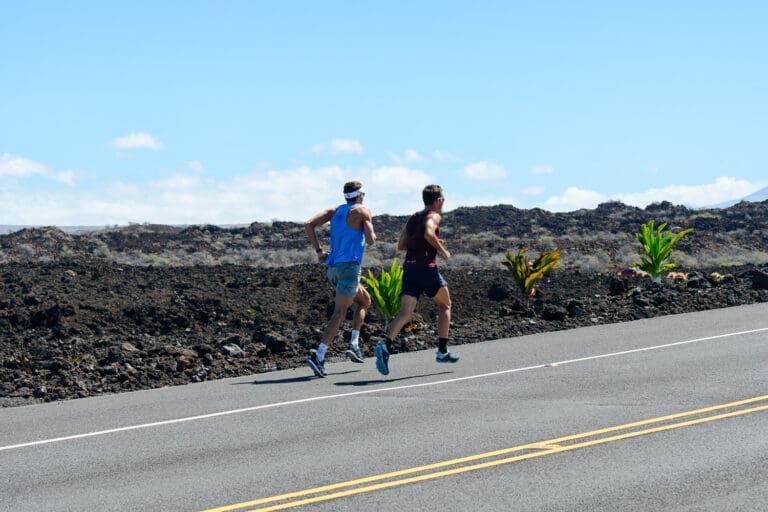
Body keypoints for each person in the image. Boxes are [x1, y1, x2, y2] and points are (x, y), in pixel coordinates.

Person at [374, 184, 459, 376]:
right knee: (445, 305)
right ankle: (442, 351)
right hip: (426, 269)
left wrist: (423, 244)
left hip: (409, 269)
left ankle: (385, 346)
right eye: (443, 200)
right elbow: (429, 233)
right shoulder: (434, 216)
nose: (443, 203)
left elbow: (401, 244)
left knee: (405, 313)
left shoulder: (414, 217)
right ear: (437, 201)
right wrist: (441, 249)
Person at [304, 181, 377, 378]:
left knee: (364, 300)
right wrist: (368, 228)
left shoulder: (334, 210)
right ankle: (319, 356)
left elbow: (309, 224)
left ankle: (354, 343)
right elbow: (370, 240)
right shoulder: (363, 211)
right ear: (360, 195)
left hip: (333, 269)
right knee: (340, 313)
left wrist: (319, 251)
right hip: (349, 268)